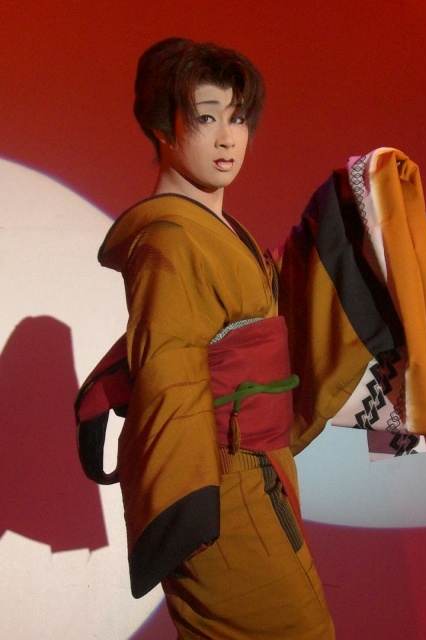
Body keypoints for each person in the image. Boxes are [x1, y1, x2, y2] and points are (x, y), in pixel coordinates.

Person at [97, 37, 336, 638]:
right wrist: (186, 510)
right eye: (206, 119)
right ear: (163, 126)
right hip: (217, 482)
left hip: (258, 469)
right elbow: (168, 374)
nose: (229, 139)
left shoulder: (218, 229)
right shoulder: (169, 241)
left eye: (239, 118)